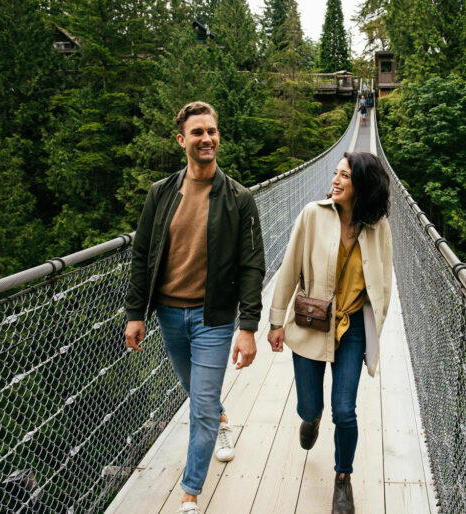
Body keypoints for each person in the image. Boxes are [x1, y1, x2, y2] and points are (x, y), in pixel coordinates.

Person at [124, 101, 265, 514]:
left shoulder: (238, 198)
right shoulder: (161, 193)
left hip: (214, 319)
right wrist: (135, 314)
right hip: (168, 313)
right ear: (182, 140)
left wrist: (249, 327)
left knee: (200, 405)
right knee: (196, 394)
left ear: (218, 136)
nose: (207, 138)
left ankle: (189, 495)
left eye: (212, 131)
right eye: (198, 132)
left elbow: (252, 264)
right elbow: (142, 253)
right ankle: (222, 421)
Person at [267, 152, 393, 514]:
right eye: (335, 174)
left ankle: (342, 478)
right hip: (311, 322)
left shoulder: (377, 226)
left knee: (345, 411)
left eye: (345, 176)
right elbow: (289, 267)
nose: (335, 180)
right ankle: (311, 417)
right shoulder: (313, 214)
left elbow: (384, 279)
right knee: (311, 405)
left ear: (362, 185)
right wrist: (277, 322)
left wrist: (376, 330)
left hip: (351, 327)